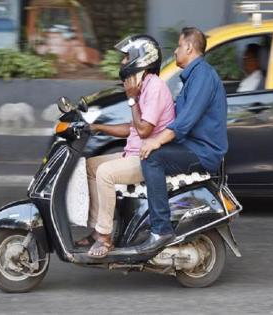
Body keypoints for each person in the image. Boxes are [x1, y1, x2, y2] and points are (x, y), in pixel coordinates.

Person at [78, 35, 175, 258]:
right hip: (133, 153)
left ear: (140, 59)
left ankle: (105, 237)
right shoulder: (144, 86)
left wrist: (131, 99)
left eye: (126, 58)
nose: (123, 63)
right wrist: (99, 127)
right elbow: (133, 128)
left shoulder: (155, 88)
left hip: (147, 159)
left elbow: (144, 131)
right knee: (90, 166)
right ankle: (97, 228)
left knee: (105, 173)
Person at [136, 27, 228, 253]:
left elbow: (184, 122)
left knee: (153, 159)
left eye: (178, 46)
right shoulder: (193, 77)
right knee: (151, 152)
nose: (175, 51)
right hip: (192, 146)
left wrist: (156, 142)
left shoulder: (203, 76)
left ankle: (161, 229)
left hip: (202, 152)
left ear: (188, 47)